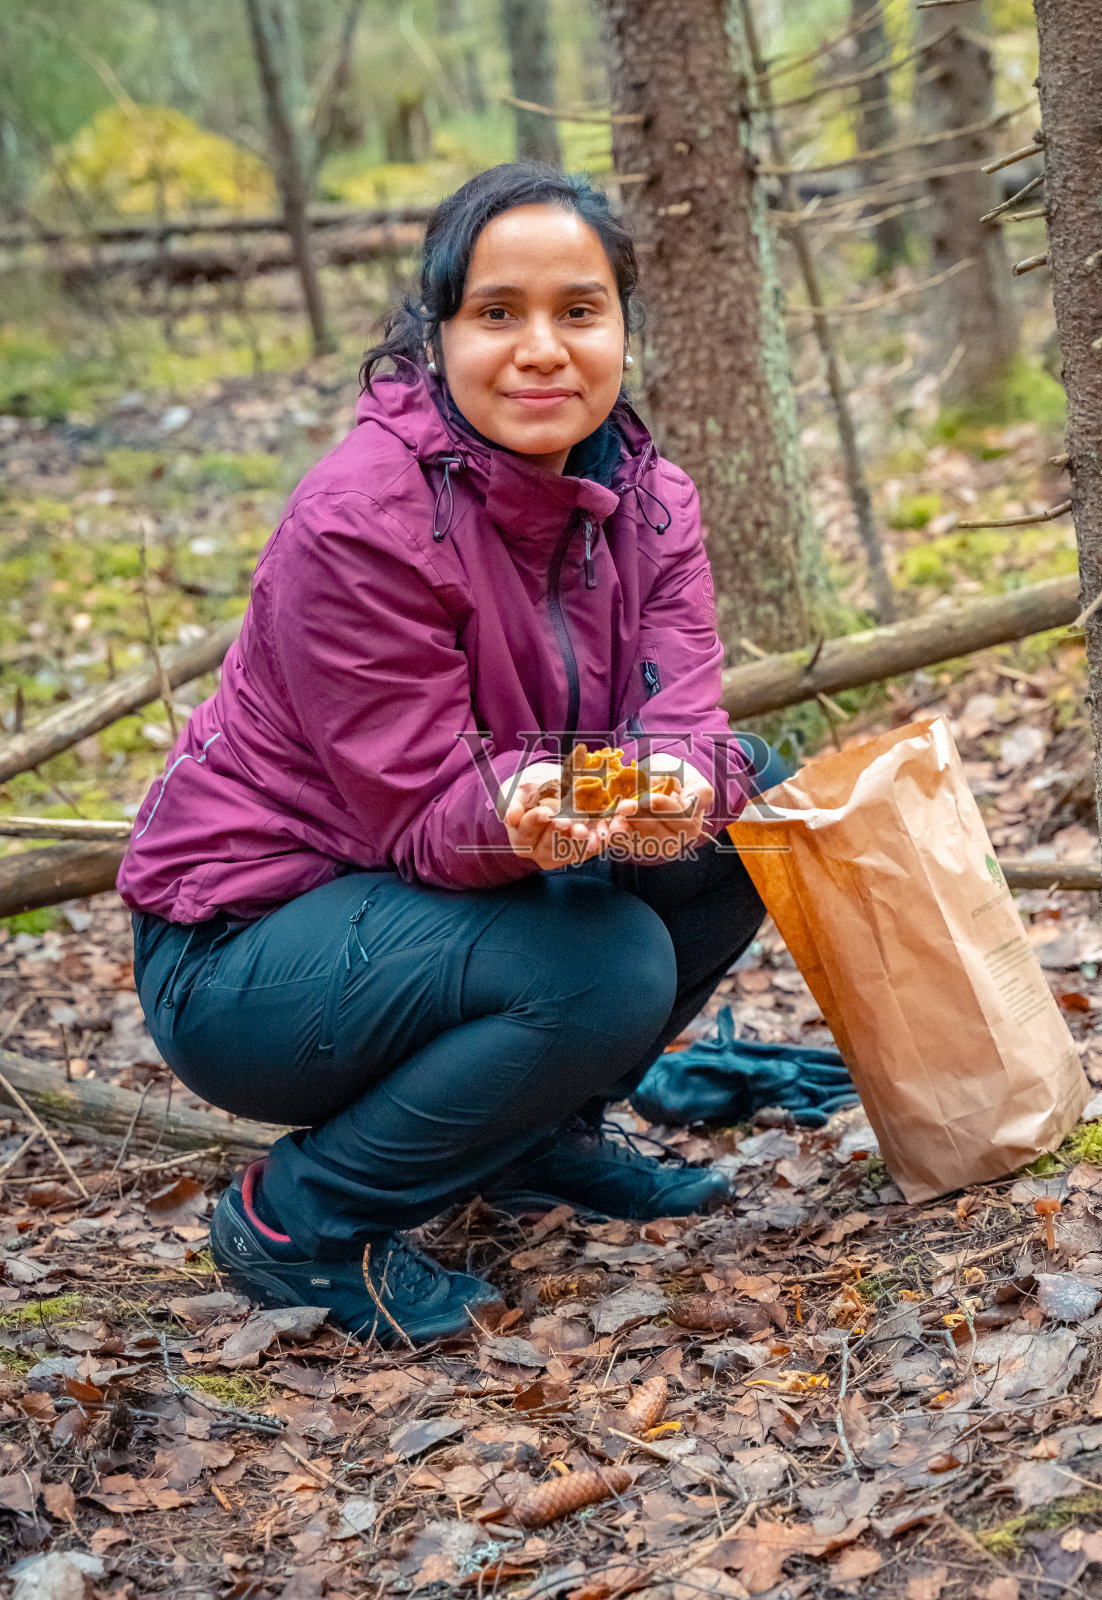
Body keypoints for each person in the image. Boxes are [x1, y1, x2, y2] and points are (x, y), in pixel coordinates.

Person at [118, 162, 785, 1347]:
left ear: (621, 327)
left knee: (752, 812)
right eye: (497, 313)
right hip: (244, 947)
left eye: (578, 311)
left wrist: (684, 782)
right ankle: (298, 1222)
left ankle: (536, 1142)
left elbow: (683, 709)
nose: (542, 350)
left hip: (450, 879)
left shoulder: (650, 498)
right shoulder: (360, 518)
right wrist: (531, 812)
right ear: (437, 334)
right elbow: (423, 815)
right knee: (606, 962)